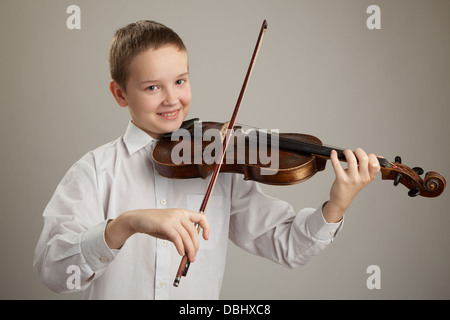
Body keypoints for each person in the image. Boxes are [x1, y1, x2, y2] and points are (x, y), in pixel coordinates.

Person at [33, 20, 380, 299]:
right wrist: (126, 224)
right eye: (152, 87)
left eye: (180, 81)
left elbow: (287, 245)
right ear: (120, 93)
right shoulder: (95, 171)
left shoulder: (217, 165)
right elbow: (53, 270)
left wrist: (336, 205)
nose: (172, 99)